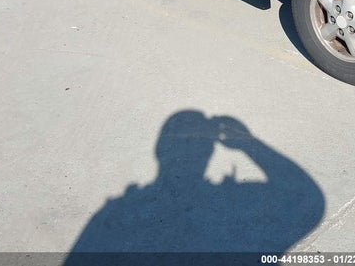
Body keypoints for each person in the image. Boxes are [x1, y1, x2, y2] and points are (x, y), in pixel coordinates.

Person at [65, 110, 324, 261]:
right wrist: (249, 144)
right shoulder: (231, 206)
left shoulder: (116, 215)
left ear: (159, 151)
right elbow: (309, 200)